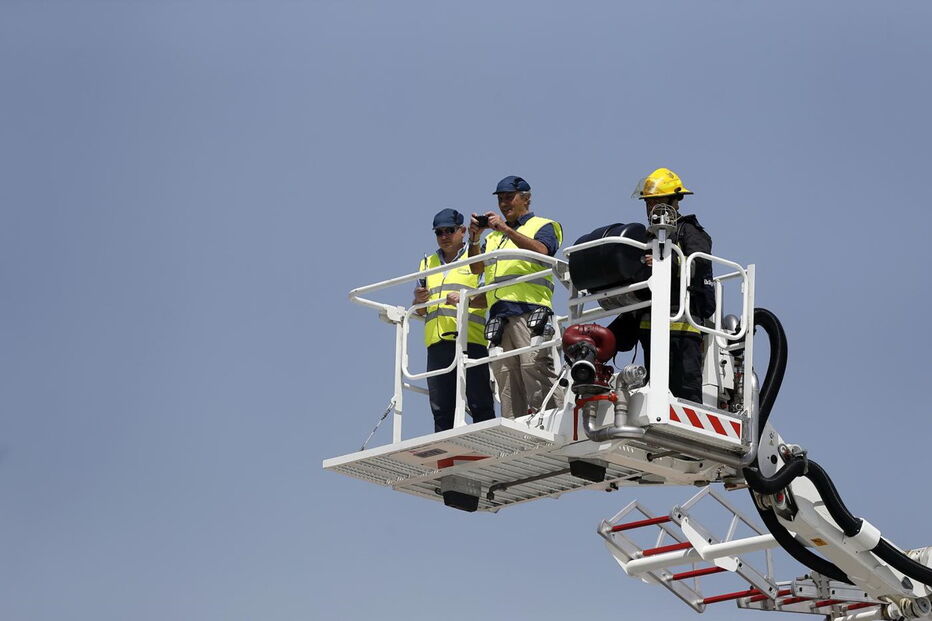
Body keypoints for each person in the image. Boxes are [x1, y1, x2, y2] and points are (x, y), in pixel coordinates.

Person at [609, 168, 715, 403]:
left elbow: (697, 266)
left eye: (656, 201)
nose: (651, 207)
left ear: (674, 200)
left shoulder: (690, 232)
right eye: (648, 202)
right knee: (655, 390)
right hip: (650, 325)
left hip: (682, 328)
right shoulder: (648, 237)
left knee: (684, 396)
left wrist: (667, 261)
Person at [467, 176, 565, 418]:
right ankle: (517, 427)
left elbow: (543, 250)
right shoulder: (492, 238)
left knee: (534, 367)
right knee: (506, 376)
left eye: (509, 197)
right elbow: (476, 269)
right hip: (500, 315)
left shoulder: (545, 225)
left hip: (529, 310)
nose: (504, 203)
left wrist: (505, 228)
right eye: (501, 199)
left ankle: (551, 421)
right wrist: (475, 238)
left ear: (526, 198)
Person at [413, 208, 495, 432]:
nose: (444, 236)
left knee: (480, 403)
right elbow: (419, 311)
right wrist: (417, 301)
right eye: (439, 232)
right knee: (441, 410)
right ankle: (446, 459)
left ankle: (488, 449)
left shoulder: (477, 257)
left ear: (462, 230)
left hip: (471, 340)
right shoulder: (427, 263)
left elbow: (489, 298)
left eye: (449, 230)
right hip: (437, 344)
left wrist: (464, 300)